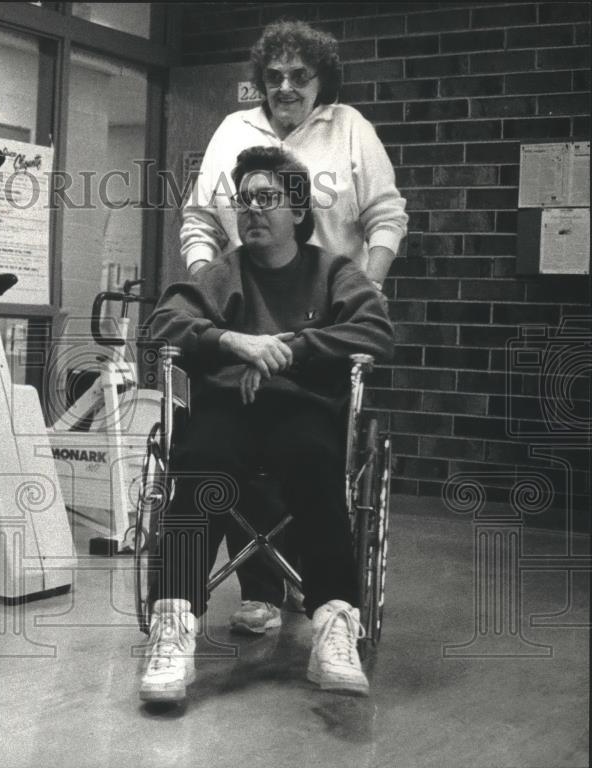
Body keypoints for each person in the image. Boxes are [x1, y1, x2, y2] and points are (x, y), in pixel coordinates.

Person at [140, 146, 393, 703]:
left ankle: (333, 620)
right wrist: (234, 341)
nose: (251, 209)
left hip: (300, 409)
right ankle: (174, 622)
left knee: (317, 460)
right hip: (227, 412)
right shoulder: (220, 273)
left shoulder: (333, 273)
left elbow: (375, 332)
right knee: (199, 462)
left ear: (297, 212)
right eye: (244, 199)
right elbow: (164, 322)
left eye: (266, 198)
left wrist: (289, 349)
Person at [180, 19, 407, 632]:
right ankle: (258, 586)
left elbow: (387, 215)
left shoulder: (350, 130)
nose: (285, 87)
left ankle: (320, 590)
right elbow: (200, 221)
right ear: (260, 81)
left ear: (319, 81)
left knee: (307, 443)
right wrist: (216, 293)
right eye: (274, 77)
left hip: (323, 315)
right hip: (241, 314)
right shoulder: (233, 131)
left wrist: (363, 292)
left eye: (299, 77)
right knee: (218, 439)